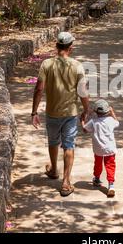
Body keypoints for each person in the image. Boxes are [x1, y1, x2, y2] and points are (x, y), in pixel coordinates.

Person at [31, 31, 89, 197]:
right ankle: (66, 182)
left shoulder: (47, 64)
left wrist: (34, 112)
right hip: (70, 113)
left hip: (52, 112)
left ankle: (54, 170)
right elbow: (82, 91)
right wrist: (86, 110)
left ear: (57, 46)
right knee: (69, 145)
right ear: (71, 48)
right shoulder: (77, 66)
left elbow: (39, 89)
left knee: (53, 141)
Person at [81, 99, 119, 198]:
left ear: (95, 111)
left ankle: (97, 178)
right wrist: (112, 112)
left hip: (98, 149)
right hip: (110, 149)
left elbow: (84, 130)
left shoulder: (93, 122)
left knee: (98, 164)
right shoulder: (111, 120)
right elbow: (117, 123)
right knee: (110, 166)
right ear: (108, 111)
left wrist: (82, 120)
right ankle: (111, 185)